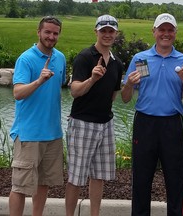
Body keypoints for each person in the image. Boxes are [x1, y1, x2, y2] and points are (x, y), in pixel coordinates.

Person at [121, 13, 183, 216]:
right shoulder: (140, 59)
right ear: (154, 32)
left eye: (170, 30)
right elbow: (126, 98)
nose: (166, 34)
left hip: (172, 124)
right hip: (145, 123)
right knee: (141, 179)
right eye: (161, 29)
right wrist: (128, 83)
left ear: (175, 33)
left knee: (175, 179)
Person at [65, 14, 123, 216]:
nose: (107, 34)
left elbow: (113, 95)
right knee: (76, 177)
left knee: (98, 176)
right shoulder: (84, 57)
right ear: (96, 32)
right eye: (103, 30)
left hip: (105, 124)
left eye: (111, 31)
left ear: (116, 33)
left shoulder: (117, 63)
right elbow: (74, 91)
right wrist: (92, 79)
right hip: (83, 123)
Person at [9, 16, 66, 216]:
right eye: (47, 32)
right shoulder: (26, 59)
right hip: (29, 134)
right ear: (38, 32)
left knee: (44, 184)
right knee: (20, 187)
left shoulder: (60, 58)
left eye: (55, 33)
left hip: (53, 134)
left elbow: (58, 91)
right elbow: (18, 93)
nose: (51, 36)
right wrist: (38, 81)